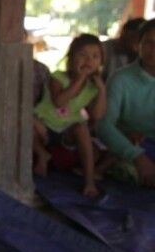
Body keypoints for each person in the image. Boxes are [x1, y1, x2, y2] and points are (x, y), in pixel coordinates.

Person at [32, 34, 109, 197]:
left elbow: (97, 115)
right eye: (82, 55)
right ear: (71, 58)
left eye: (95, 57)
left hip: (67, 128)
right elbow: (59, 101)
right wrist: (80, 78)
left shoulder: (91, 88)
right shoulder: (58, 77)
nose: (88, 60)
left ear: (100, 63)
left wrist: (101, 91)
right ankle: (41, 154)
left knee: (82, 129)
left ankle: (89, 181)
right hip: (44, 124)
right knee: (26, 123)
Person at [97, 19, 155, 187]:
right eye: (149, 42)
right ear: (139, 44)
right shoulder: (120, 79)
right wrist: (138, 157)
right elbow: (104, 125)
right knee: (129, 174)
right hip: (128, 149)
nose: (154, 49)